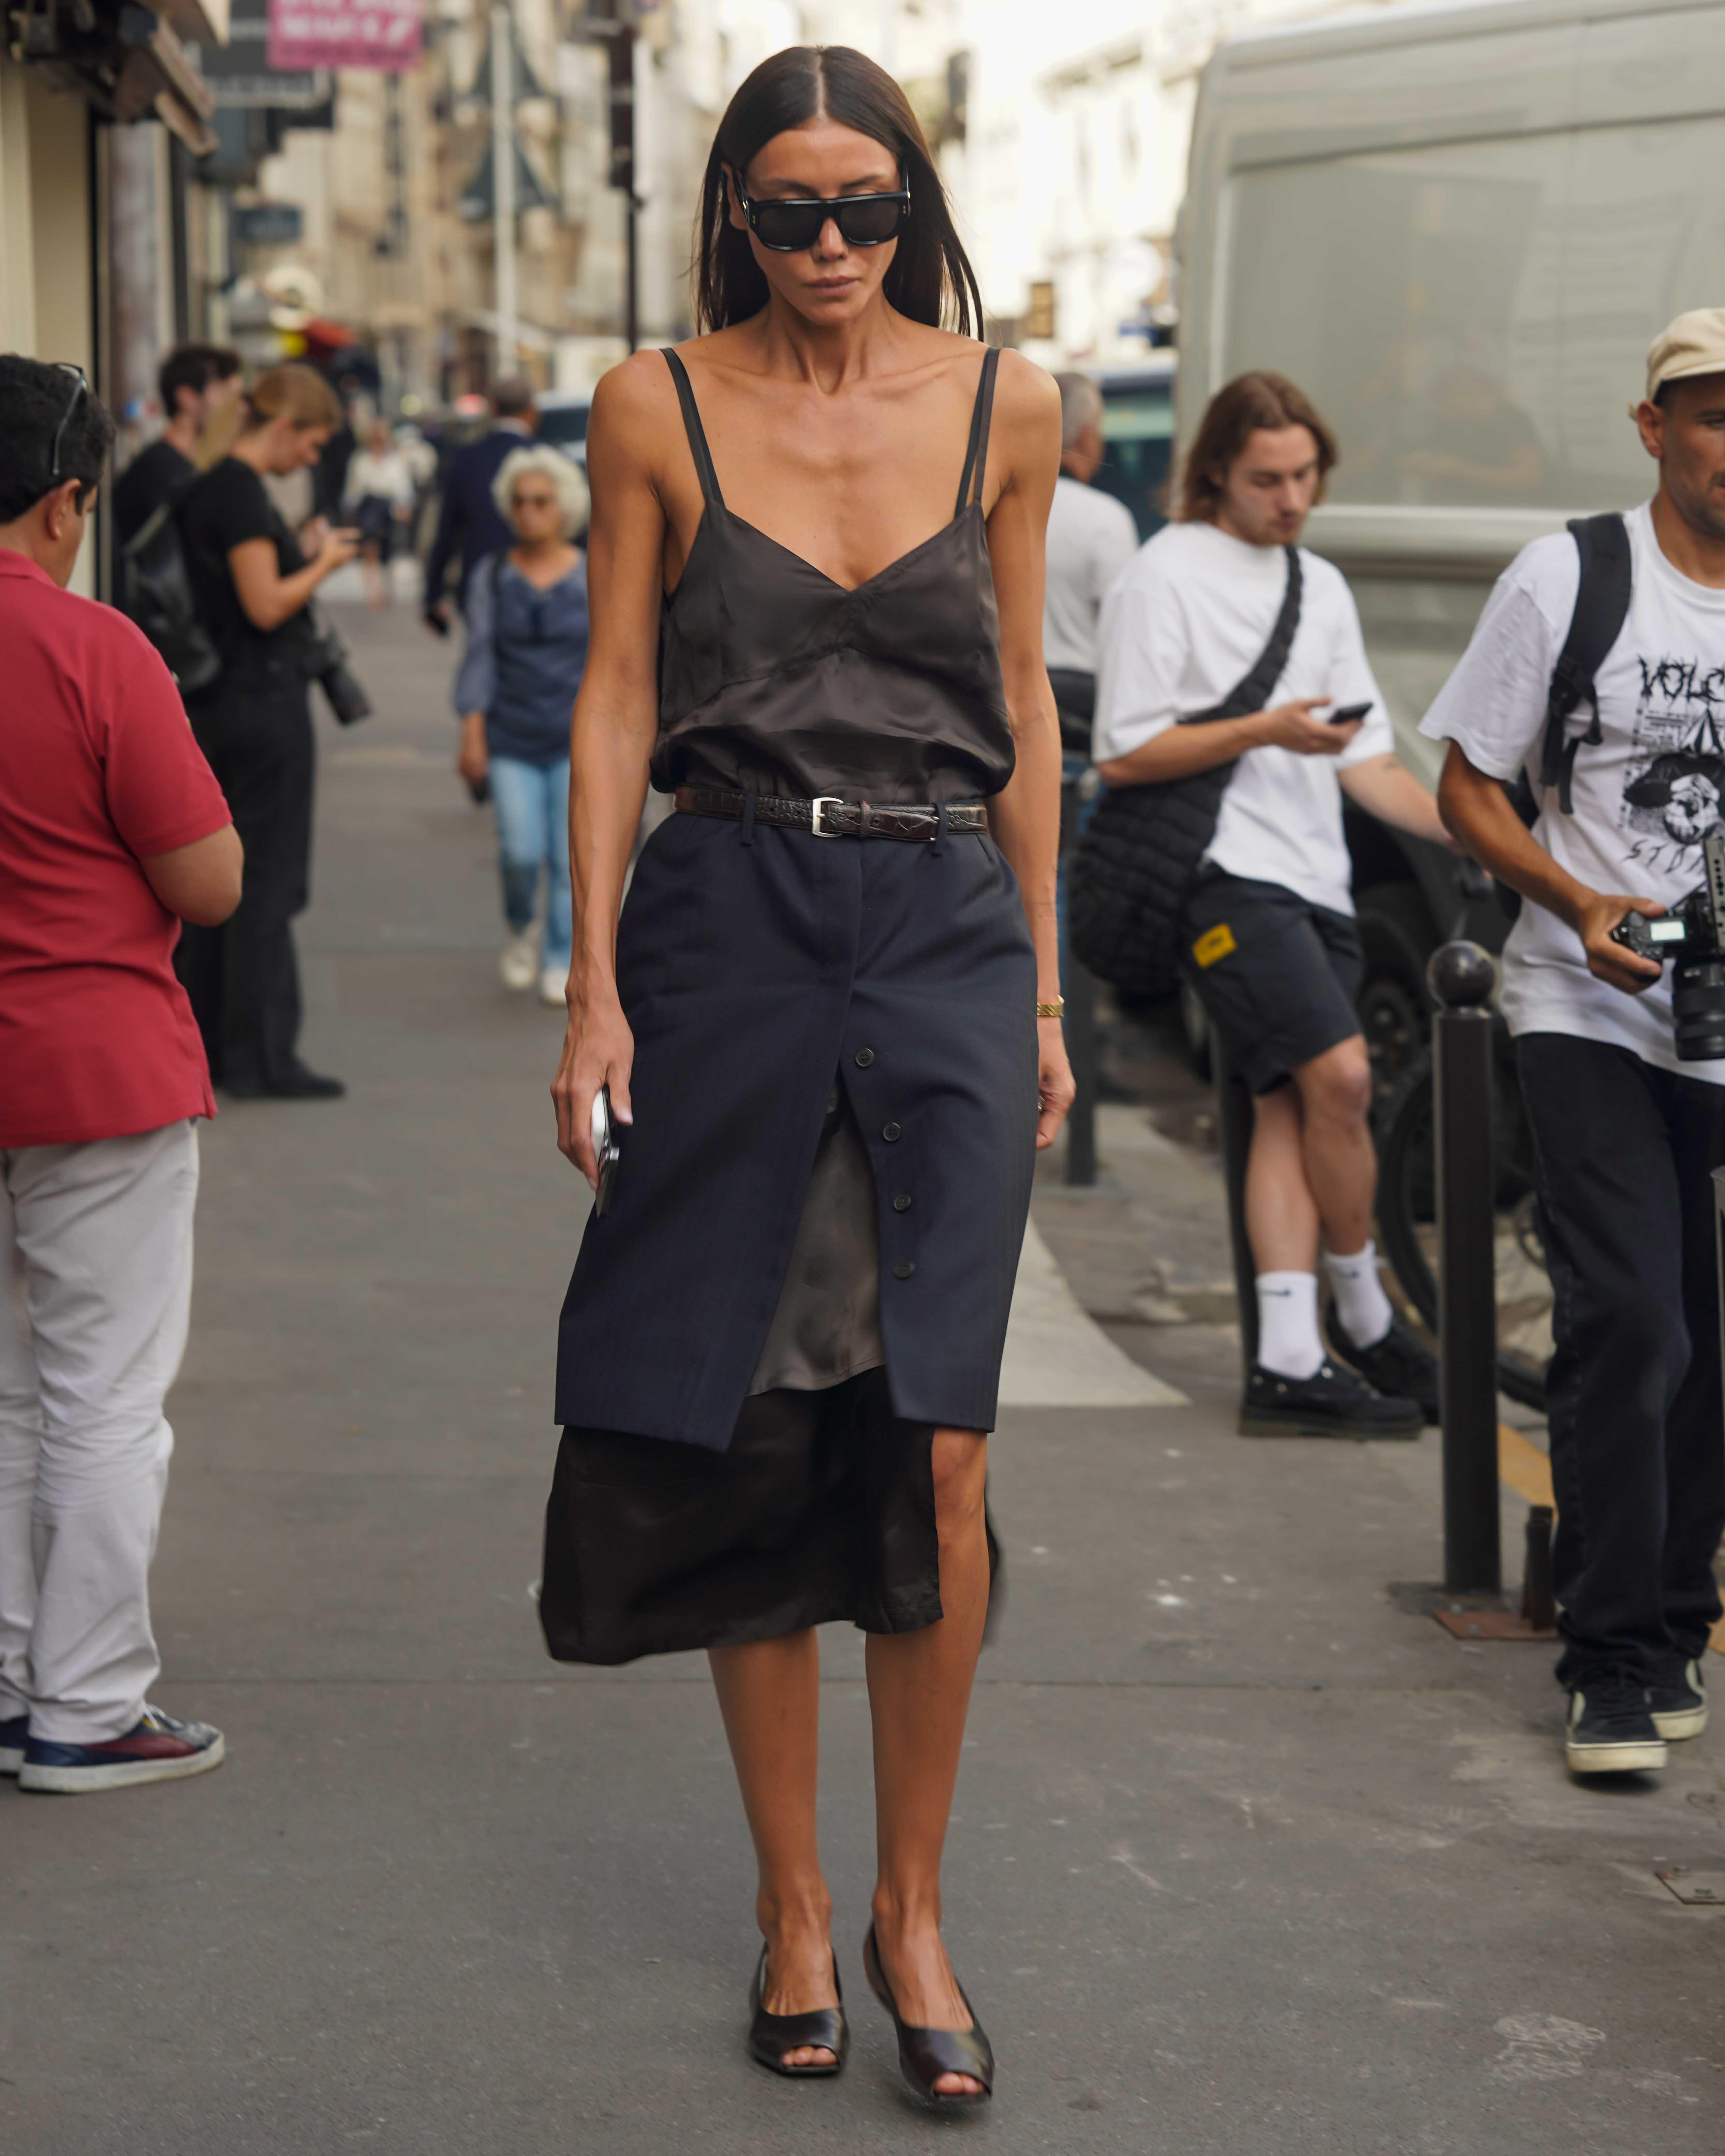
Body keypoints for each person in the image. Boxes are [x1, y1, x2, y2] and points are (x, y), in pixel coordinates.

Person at [537, 45, 1070, 2108]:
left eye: (866, 207)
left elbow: (1022, 699)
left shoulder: (1009, 401)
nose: (832, 245)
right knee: (756, 1423)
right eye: (790, 211)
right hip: (727, 923)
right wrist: (589, 985)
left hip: (941, 925)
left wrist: (1033, 996)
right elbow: (609, 700)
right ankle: (786, 1897)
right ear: (734, 217)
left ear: (916, 205)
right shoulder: (653, 402)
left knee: (941, 1444)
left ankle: (908, 1905)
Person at [1422, 308, 1725, 1777]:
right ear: (1653, 426)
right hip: (1581, 996)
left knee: (1701, 1336)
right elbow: (1467, 786)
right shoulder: (1573, 574)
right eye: (1711, 413)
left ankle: (1671, 1618)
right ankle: (1609, 1661)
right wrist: (1577, 896)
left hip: (1721, 1017)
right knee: (1635, 1316)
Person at [1094, 371, 1446, 1437]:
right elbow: (1124, 751)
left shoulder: (1320, 587)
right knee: (1341, 1074)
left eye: (1305, 477)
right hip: (1223, 876)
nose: (1291, 499)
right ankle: (1366, 1307)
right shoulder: (1164, 576)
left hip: (1316, 878)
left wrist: (1474, 833)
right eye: (1267, 479)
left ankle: (1290, 1360)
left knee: (1296, 1108)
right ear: (1214, 474)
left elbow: (1370, 762)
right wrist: (1262, 730)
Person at [0, 355, 242, 1793]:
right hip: (93, 1063)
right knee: (100, 1394)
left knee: (9, 1394)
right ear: (66, 500)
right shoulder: (94, 649)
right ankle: (86, 1705)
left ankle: (12, 1670)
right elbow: (206, 880)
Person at [175, 364, 359, 1100]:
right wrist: (324, 563)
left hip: (224, 703)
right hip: (264, 701)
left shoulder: (209, 485)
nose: (310, 460)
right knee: (267, 882)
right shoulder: (241, 493)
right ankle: (261, 1055)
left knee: (228, 879)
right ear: (282, 427)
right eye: (311, 445)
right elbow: (265, 604)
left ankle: (223, 1045)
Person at [454, 445, 590, 1002]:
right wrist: (472, 732)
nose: (529, 512)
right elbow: (478, 655)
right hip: (510, 733)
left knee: (567, 858)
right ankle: (519, 926)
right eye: (519, 502)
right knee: (519, 851)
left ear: (566, 508)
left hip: (574, 737)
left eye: (541, 501)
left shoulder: (592, 573)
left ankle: (560, 953)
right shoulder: (490, 575)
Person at [1043, 370, 1139, 951]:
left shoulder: (984, 498)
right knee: (1061, 879)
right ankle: (1062, 1022)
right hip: (1080, 715)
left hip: (994, 704)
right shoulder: (1103, 518)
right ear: (1082, 437)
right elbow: (1125, 635)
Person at [422, 378, 538, 633]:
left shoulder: (467, 459)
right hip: (537, 582)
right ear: (531, 411)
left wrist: (433, 594)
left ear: (493, 409)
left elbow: (447, 531)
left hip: (479, 584)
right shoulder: (544, 458)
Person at [111, 342, 242, 548]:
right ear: (188, 398)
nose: (237, 409)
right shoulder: (159, 472)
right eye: (224, 394)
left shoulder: (190, 467)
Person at [342, 416, 416, 610]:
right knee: (370, 550)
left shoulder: (396, 460)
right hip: (369, 506)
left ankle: (386, 588)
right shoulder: (361, 460)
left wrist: (404, 506)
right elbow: (354, 488)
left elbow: (403, 486)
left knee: (387, 552)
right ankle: (373, 592)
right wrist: (351, 510)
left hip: (388, 507)